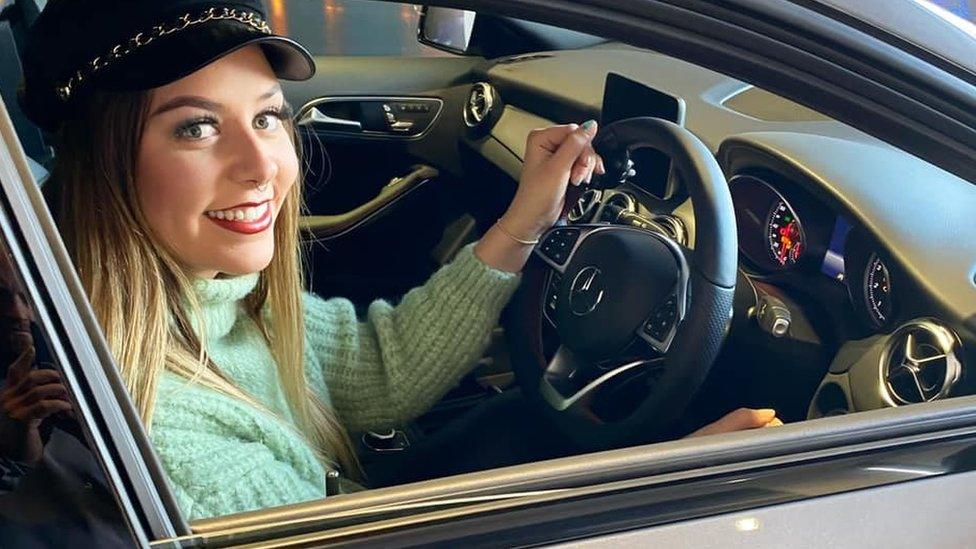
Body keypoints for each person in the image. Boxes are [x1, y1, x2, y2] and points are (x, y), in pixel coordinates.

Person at [13, 0, 781, 521]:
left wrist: (522, 222)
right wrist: (673, 488)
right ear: (107, 164)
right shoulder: (170, 437)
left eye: (268, 118)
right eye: (195, 129)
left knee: (521, 421)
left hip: (350, 494)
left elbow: (374, 365)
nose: (262, 166)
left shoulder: (208, 296)